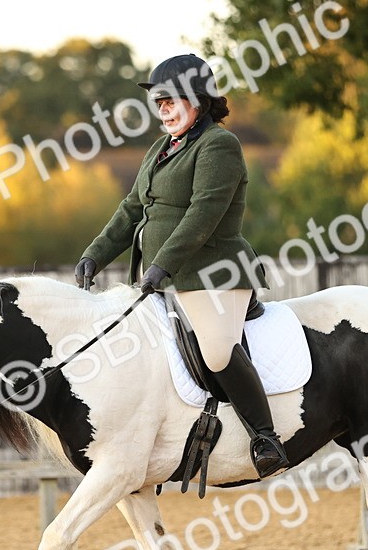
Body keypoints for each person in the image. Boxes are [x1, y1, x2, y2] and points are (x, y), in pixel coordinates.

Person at [73, 53, 287, 477]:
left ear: (198, 101)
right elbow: (132, 208)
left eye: (171, 101)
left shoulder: (219, 145)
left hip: (217, 276)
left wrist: (162, 265)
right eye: (159, 103)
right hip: (170, 279)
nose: (163, 110)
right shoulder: (161, 149)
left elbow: (203, 214)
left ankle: (266, 439)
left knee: (217, 352)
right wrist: (94, 254)